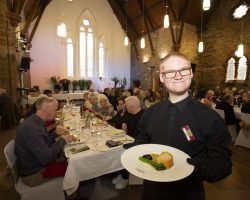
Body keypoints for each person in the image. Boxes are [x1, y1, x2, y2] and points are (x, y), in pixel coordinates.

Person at [125, 52, 232, 199]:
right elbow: (142, 141)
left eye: (184, 70)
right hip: (151, 193)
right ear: (162, 77)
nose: (178, 75)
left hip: (188, 193)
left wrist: (197, 168)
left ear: (191, 74)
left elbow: (223, 164)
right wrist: (136, 149)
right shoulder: (150, 113)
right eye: (170, 72)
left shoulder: (210, 117)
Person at [15, 96, 75, 186]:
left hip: (34, 163)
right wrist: (63, 140)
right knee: (72, 168)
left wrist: (55, 134)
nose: (56, 113)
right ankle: (72, 196)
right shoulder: (32, 129)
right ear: (46, 108)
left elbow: (42, 141)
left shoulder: (34, 121)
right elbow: (46, 158)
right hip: (34, 174)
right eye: (55, 110)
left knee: (68, 158)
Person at [112, 96, 144, 189]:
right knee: (114, 147)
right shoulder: (130, 114)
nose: (125, 108)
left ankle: (125, 177)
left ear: (132, 107)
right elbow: (124, 121)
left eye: (126, 106)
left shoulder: (144, 116)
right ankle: (121, 173)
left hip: (139, 143)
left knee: (121, 151)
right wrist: (124, 124)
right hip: (127, 139)